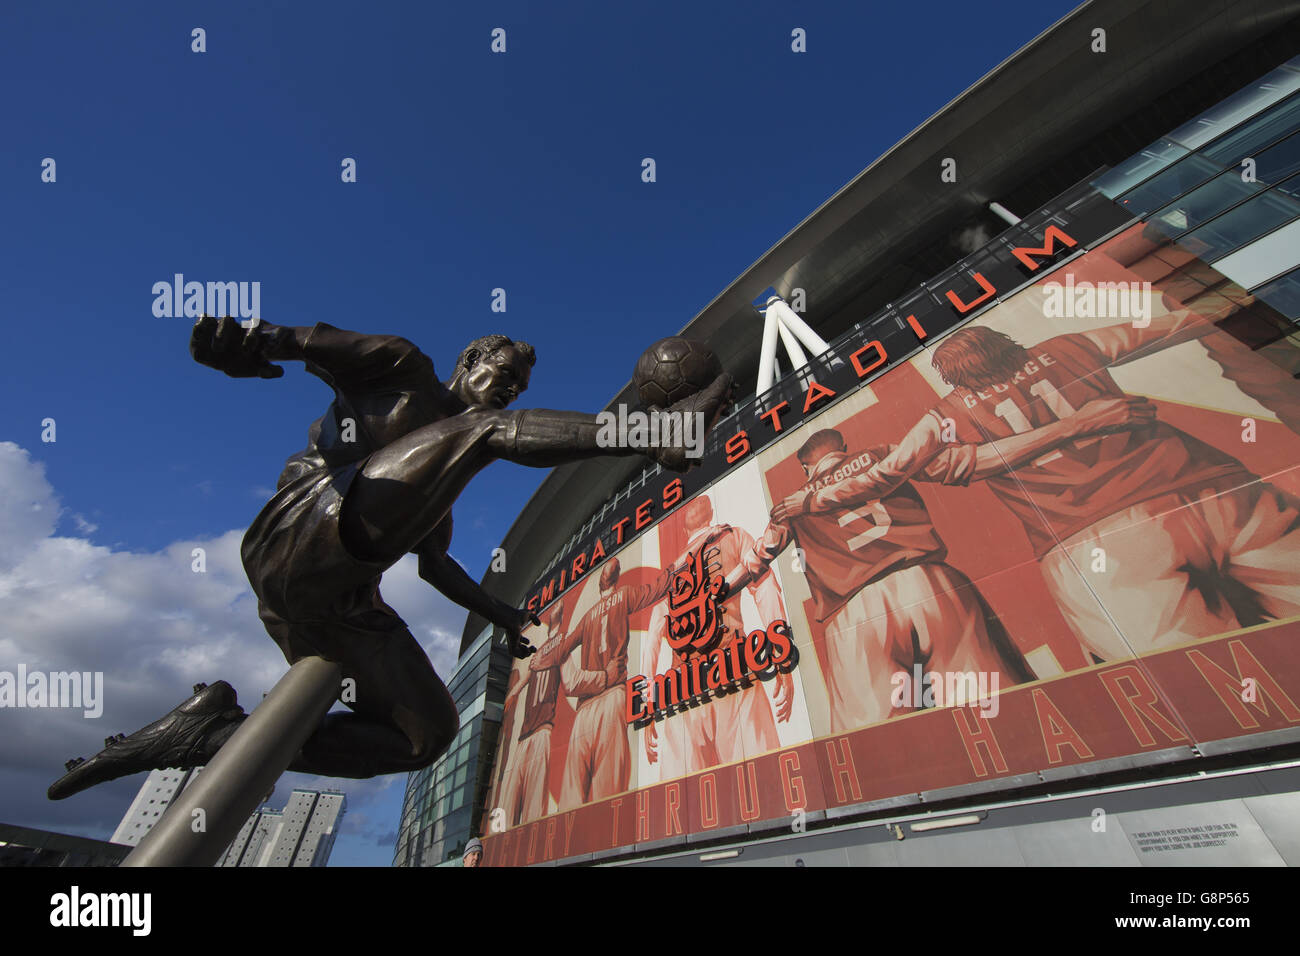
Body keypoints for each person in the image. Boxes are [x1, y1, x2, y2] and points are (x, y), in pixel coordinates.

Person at [49, 316, 732, 799]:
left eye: (520, 389)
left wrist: (503, 614)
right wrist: (245, 342)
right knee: (483, 432)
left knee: (424, 737)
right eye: (503, 373)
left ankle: (212, 735)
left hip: (328, 609)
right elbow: (307, 343)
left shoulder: (431, 485)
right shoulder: (403, 373)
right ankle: (656, 433)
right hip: (298, 536)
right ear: (470, 362)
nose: (509, 389)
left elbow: (434, 566)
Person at [777, 314, 1300, 661]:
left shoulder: (947, 415)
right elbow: (1174, 324)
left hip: (1096, 543)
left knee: (1202, 680)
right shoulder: (1069, 348)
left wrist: (812, 499)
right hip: (1220, 494)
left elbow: (892, 475)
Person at [729, 428, 1034, 732]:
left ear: (805, 467)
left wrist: (715, 591)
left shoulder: (792, 503)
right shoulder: (883, 454)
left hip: (855, 614)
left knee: (883, 745)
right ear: (844, 447)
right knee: (999, 712)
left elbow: (756, 560)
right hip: (927, 581)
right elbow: (958, 462)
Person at [641, 494, 793, 776]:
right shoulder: (734, 537)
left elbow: (652, 640)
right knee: (763, 785)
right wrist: (782, 651)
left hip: (683, 689)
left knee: (685, 807)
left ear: (685, 529)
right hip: (733, 671)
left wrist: (648, 703)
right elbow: (765, 588)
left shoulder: (672, 572)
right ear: (711, 513)